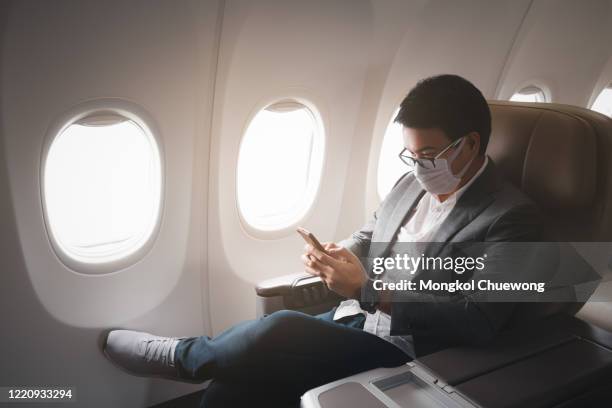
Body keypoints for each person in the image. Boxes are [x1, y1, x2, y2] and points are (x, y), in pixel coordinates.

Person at [102, 74, 544, 407]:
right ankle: (199, 364)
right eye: (411, 155)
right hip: (354, 321)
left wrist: (370, 290)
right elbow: (371, 236)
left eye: (428, 155)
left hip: (409, 349)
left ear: (468, 145)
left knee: (279, 328)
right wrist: (340, 254)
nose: (418, 167)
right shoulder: (410, 184)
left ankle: (183, 357)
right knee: (232, 387)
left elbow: (479, 317)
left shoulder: (511, 218)